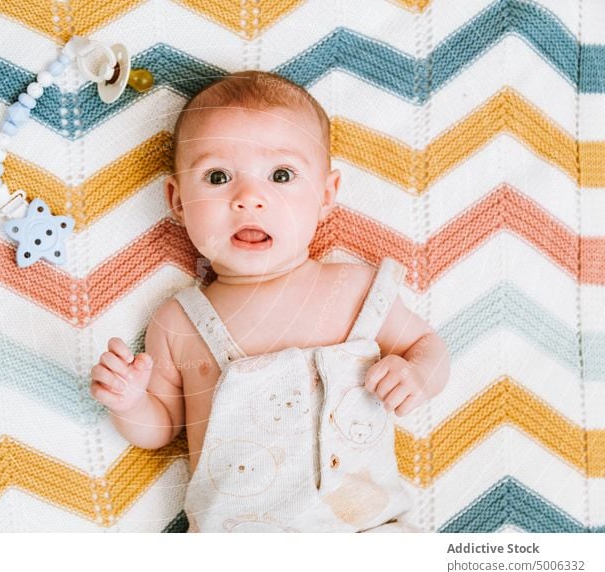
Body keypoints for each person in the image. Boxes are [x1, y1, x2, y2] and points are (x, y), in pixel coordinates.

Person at [89, 70, 450, 532]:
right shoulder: (180, 322)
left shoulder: (355, 289)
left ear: (326, 194)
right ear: (177, 201)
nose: (249, 198)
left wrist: (417, 372)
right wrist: (129, 402)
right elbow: (161, 428)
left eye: (281, 175)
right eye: (218, 176)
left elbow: (427, 345)